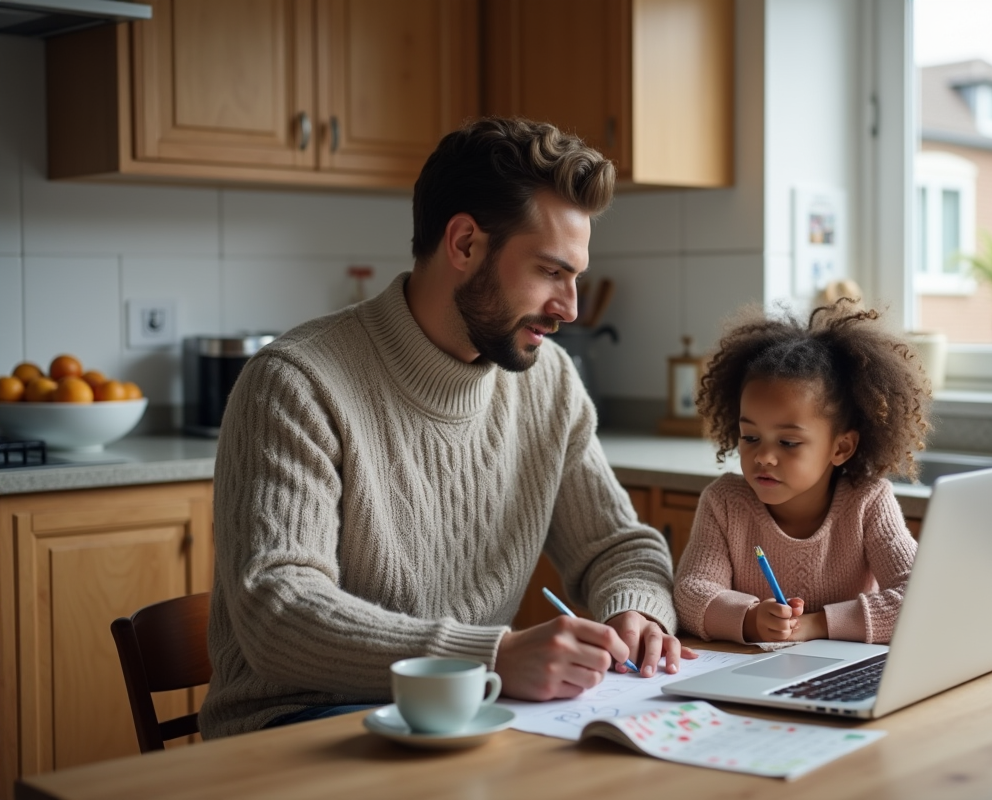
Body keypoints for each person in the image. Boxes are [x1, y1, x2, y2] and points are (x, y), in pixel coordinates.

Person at [199, 118, 693, 739]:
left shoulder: (548, 381)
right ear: (464, 244)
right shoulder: (296, 382)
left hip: (466, 717)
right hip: (299, 727)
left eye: (576, 277)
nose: (569, 308)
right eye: (550, 272)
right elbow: (279, 611)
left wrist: (636, 613)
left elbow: (617, 546)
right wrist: (490, 659)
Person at [673, 301, 932, 645]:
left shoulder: (868, 502)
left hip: (841, 669)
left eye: (788, 442)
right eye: (750, 437)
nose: (764, 457)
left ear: (841, 447)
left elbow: (920, 596)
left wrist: (814, 625)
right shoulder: (724, 503)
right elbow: (691, 592)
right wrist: (750, 619)